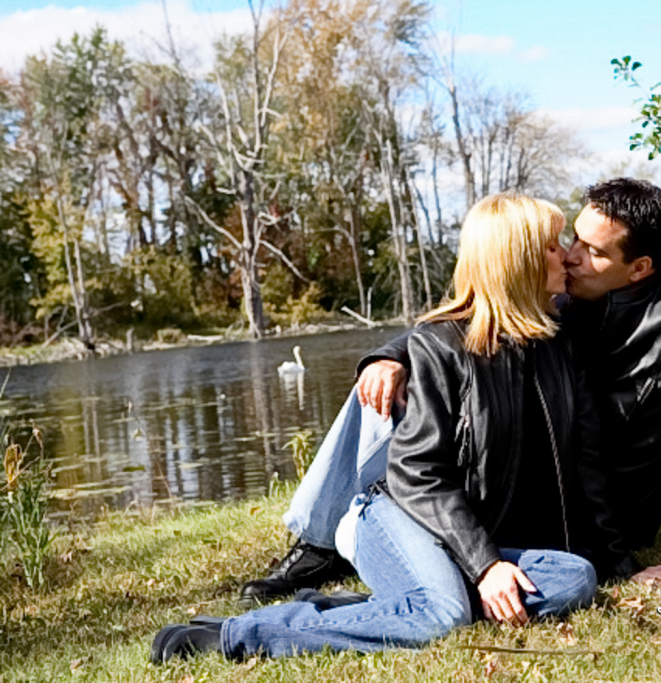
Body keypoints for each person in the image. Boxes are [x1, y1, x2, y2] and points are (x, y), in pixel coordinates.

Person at [240, 178, 661, 605]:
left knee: (411, 399)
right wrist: (388, 353)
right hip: (527, 476)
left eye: (591, 250)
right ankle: (320, 544)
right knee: (381, 387)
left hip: (594, 506)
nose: (569, 254)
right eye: (571, 240)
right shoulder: (568, 300)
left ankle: (402, 570)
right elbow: (475, 318)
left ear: (640, 268)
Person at [151, 193, 622, 663]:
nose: (567, 255)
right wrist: (485, 566)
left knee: (575, 577)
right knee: (443, 615)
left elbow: (587, 461)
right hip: (397, 514)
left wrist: (621, 562)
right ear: (516, 258)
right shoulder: (441, 346)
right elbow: (417, 474)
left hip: (476, 532)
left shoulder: (559, 343)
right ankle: (234, 635)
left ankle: (380, 607)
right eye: (553, 245)